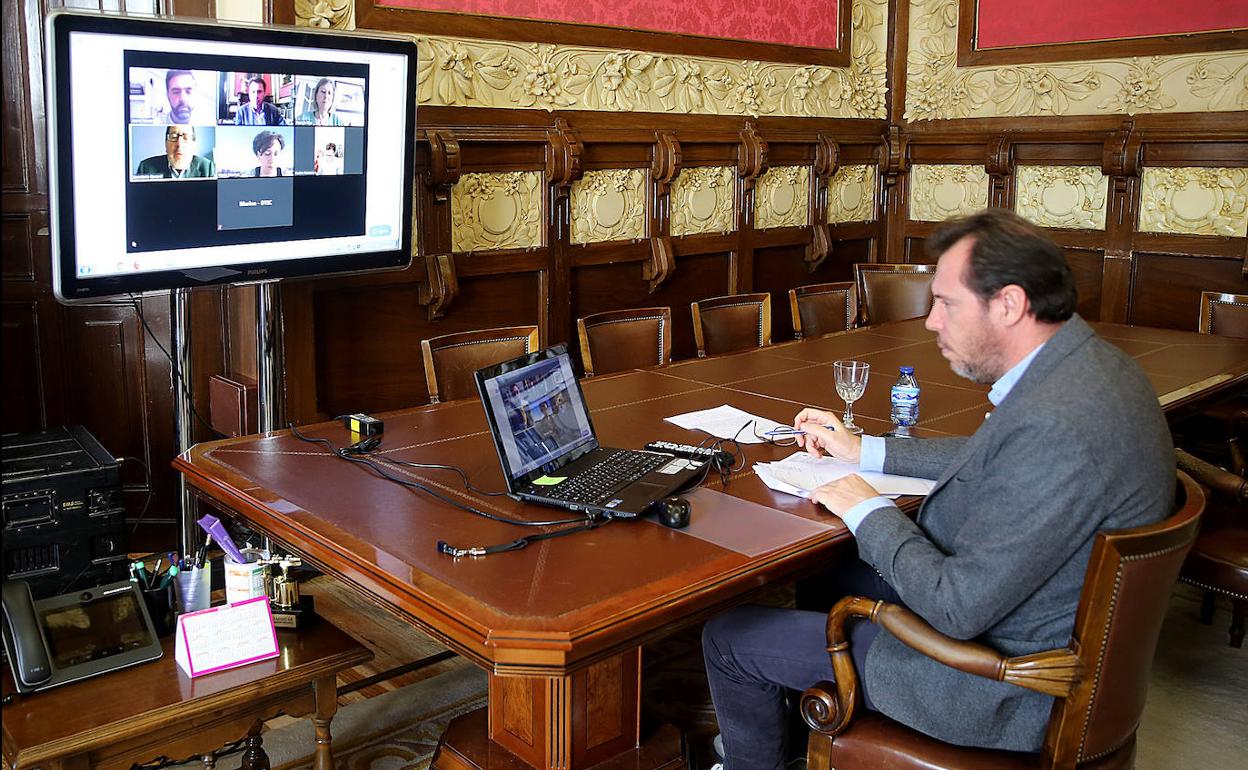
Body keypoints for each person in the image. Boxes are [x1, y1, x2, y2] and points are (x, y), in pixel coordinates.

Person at [702, 208, 1175, 769]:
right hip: (1041, 624)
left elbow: (957, 608)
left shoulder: (1059, 426)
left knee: (730, 636)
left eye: (946, 303)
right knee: (830, 571)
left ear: (1009, 303)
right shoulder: (1091, 369)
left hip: (997, 684)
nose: (930, 321)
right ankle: (803, 731)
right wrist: (865, 449)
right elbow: (996, 456)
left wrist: (871, 511)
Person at [135, 126, 215, 179]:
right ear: (166, 143)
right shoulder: (145, 167)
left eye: (186, 137)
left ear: (193, 144)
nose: (179, 144)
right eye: (173, 137)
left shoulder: (208, 168)